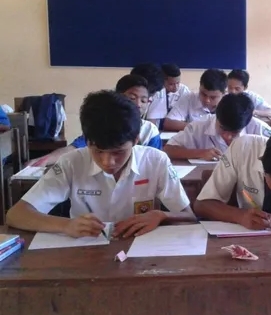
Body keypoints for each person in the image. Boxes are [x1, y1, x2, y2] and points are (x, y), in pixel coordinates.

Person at [6, 90, 195, 238]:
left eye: (118, 152)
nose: (107, 162)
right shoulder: (72, 162)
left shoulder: (155, 161)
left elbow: (189, 216)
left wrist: (161, 216)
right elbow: (16, 215)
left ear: (136, 140)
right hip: (86, 252)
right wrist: (66, 225)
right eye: (97, 151)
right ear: (86, 140)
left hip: (139, 252)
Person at [36, 75, 164, 166]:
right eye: (132, 98)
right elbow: (74, 148)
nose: (138, 104)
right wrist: (45, 160)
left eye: (144, 100)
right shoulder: (103, 124)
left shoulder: (150, 131)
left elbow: (155, 162)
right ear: (118, 97)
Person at [164, 93, 271, 161]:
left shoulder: (259, 129)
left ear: (248, 122)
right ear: (216, 116)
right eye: (222, 128)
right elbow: (168, 149)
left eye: (235, 132)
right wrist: (200, 153)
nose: (227, 136)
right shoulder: (199, 126)